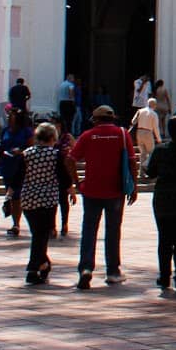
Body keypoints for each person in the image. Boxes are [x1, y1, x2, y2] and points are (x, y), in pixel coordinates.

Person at [70, 104, 138, 289]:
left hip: (91, 190)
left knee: (89, 230)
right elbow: (132, 162)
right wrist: (134, 186)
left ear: (96, 119)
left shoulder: (87, 135)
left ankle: (86, 269)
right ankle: (113, 271)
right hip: (115, 191)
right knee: (113, 231)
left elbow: (71, 159)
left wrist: (76, 182)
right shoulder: (123, 134)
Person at [18, 122, 75, 284]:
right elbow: (62, 175)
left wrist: (9, 195)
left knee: (38, 233)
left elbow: (19, 175)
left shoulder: (27, 153)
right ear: (52, 137)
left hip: (28, 199)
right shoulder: (54, 154)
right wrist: (71, 189)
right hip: (47, 200)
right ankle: (33, 268)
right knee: (41, 234)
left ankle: (43, 264)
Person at [145, 115, 176, 291]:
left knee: (164, 240)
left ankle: (164, 276)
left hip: (163, 200)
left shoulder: (160, 150)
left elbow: (151, 172)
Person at [0, 107, 35, 236]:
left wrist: (20, 151)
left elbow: (31, 147)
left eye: (11, 116)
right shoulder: (5, 131)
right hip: (7, 165)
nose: (8, 118)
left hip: (21, 166)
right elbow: (1, 146)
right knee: (11, 195)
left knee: (19, 195)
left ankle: (19, 223)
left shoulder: (26, 132)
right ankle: (14, 222)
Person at [55, 116, 76, 236]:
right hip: (52, 172)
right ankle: (51, 225)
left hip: (64, 172)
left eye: (57, 124)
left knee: (63, 200)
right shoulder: (50, 137)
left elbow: (75, 149)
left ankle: (64, 223)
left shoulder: (67, 137)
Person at [130, 99, 162, 171]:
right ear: (154, 105)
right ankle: (146, 164)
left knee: (143, 153)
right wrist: (159, 139)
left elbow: (133, 121)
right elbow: (155, 127)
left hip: (139, 132)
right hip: (148, 132)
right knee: (152, 152)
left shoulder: (140, 111)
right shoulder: (154, 114)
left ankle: (141, 173)